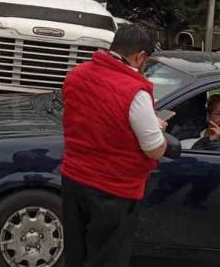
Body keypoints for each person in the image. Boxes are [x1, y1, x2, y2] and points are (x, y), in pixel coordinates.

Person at [61, 24, 167, 267]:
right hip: (113, 190)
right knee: (106, 258)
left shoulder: (77, 74)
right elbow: (153, 148)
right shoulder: (134, 92)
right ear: (140, 56)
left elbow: (92, 118)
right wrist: (158, 133)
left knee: (76, 254)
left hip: (74, 179)